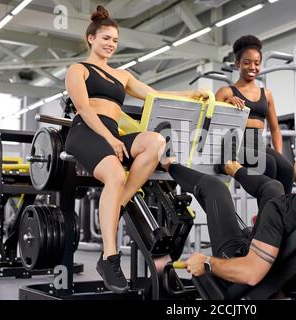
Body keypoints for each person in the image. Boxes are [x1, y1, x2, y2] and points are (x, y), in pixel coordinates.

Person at [64, 5, 209, 294]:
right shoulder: (78, 69)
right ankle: (110, 258)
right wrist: (110, 138)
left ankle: (117, 203)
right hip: (86, 132)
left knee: (155, 141)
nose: (111, 45)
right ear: (91, 38)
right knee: (115, 176)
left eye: (115, 41)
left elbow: (155, 94)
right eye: (106, 38)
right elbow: (82, 108)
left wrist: (190, 94)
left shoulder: (122, 75)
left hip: (112, 134)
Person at [162, 133, 296, 288]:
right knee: (273, 186)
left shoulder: (279, 209)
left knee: (215, 187)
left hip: (239, 263)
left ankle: (168, 164)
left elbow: (251, 273)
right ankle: (230, 166)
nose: (294, 160)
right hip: (276, 261)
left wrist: (206, 262)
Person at [215, 35, 293, 194]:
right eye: (247, 62)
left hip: (258, 144)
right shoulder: (226, 92)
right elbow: (212, 124)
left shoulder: (267, 94)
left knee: (287, 169)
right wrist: (226, 103)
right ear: (237, 63)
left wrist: (280, 156)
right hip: (237, 144)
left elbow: (275, 130)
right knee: (269, 164)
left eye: (257, 63)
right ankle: (267, 214)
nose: (253, 67)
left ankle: (283, 214)